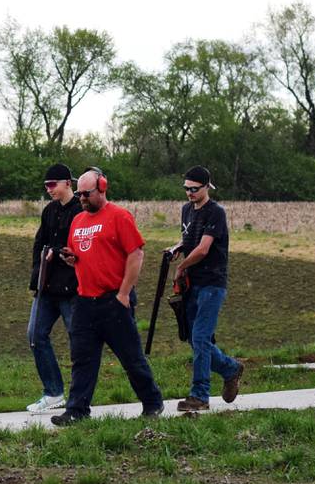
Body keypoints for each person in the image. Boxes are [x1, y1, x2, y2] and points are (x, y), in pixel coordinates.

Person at [50, 168, 164, 425]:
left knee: (131, 358)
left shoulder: (119, 217)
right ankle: (76, 411)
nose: (81, 198)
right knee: (82, 360)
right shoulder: (78, 221)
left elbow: (136, 254)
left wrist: (124, 294)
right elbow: (81, 255)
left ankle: (153, 403)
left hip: (113, 301)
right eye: (79, 194)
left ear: (102, 187)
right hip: (84, 302)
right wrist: (71, 259)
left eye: (86, 194)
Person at [171, 166, 243, 412]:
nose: (189, 193)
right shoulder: (186, 210)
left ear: (206, 187)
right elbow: (189, 238)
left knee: (201, 337)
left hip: (212, 283)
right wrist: (176, 248)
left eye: (194, 189)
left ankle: (199, 395)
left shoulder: (216, 213)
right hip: (193, 284)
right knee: (194, 339)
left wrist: (181, 266)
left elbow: (203, 248)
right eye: (186, 188)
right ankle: (230, 368)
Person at [26, 163, 82, 412]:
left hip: (72, 288)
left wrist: (57, 253)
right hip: (47, 287)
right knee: (35, 335)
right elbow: (39, 244)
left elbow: (80, 247)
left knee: (78, 341)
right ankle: (53, 392)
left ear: (68, 183)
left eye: (53, 185)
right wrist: (38, 277)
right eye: (46, 186)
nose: (49, 190)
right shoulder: (48, 211)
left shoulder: (81, 210)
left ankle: (79, 396)